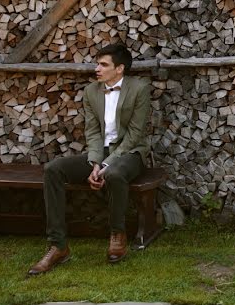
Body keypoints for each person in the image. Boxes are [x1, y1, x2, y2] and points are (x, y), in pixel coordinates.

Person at [28, 43, 151, 275]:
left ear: (120, 69)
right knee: (53, 169)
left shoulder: (139, 89)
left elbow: (135, 135)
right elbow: (93, 132)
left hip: (130, 153)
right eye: (97, 64)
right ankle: (58, 245)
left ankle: (117, 234)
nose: (97, 69)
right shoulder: (91, 91)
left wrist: (106, 165)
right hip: (100, 152)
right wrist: (95, 162)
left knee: (114, 174)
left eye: (103, 65)